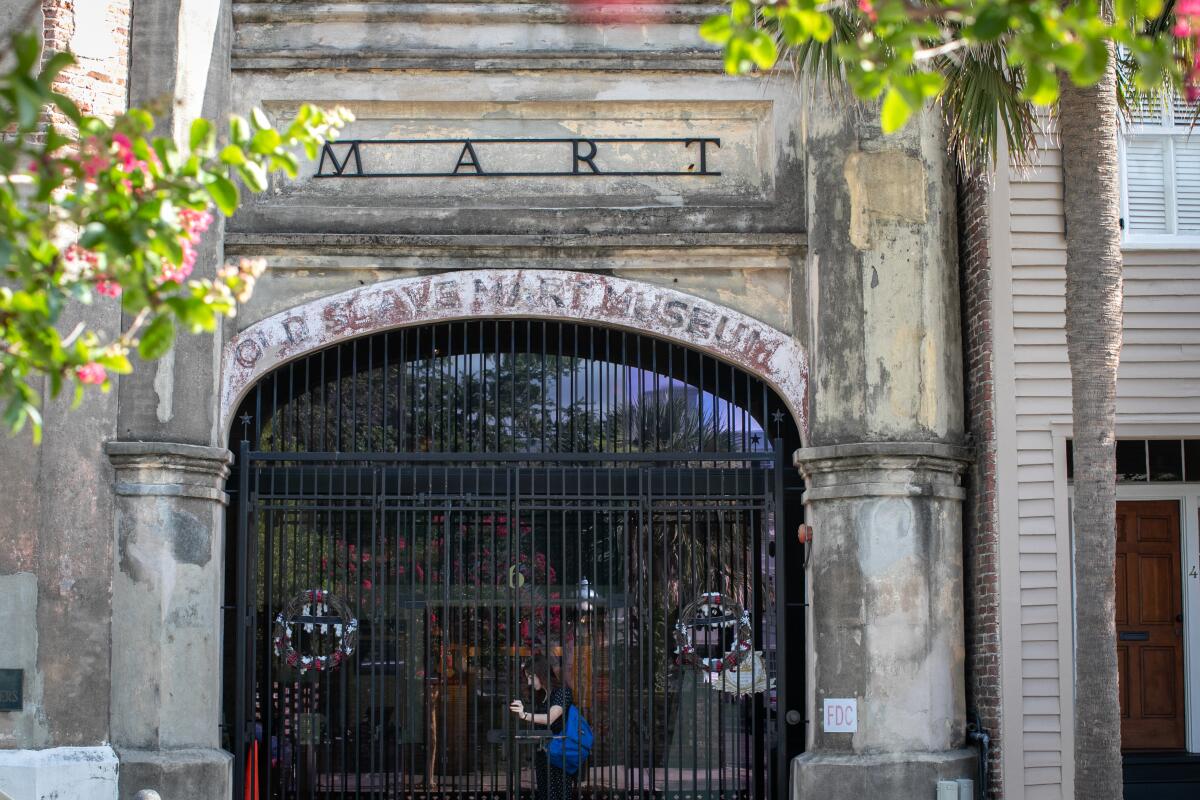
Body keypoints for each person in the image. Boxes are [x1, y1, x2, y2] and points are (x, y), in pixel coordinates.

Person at [509, 657, 574, 800]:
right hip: (543, 754)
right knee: (545, 793)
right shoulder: (541, 696)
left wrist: (524, 715)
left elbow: (550, 718)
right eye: (527, 678)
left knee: (558, 793)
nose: (529, 682)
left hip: (558, 753)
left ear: (542, 674)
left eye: (531, 677)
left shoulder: (562, 692)